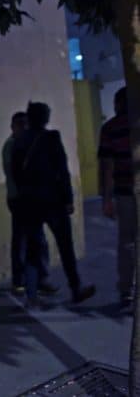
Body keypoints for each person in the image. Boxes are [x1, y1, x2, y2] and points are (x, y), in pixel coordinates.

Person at [12, 102, 95, 308]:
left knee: (32, 250)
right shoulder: (51, 138)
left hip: (29, 202)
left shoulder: (19, 141)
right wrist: (68, 199)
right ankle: (76, 288)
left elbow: (16, 174)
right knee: (65, 246)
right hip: (53, 201)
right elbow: (62, 170)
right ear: (45, 117)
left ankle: (31, 296)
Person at [2, 112, 56, 296]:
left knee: (37, 239)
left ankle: (40, 279)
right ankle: (21, 281)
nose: (25, 129)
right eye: (21, 125)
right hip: (19, 200)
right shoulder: (11, 146)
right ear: (14, 127)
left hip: (30, 199)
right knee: (22, 240)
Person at [98, 87, 136, 309]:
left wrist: (106, 199)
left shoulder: (110, 128)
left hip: (124, 193)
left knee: (126, 242)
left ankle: (127, 290)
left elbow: (107, 166)